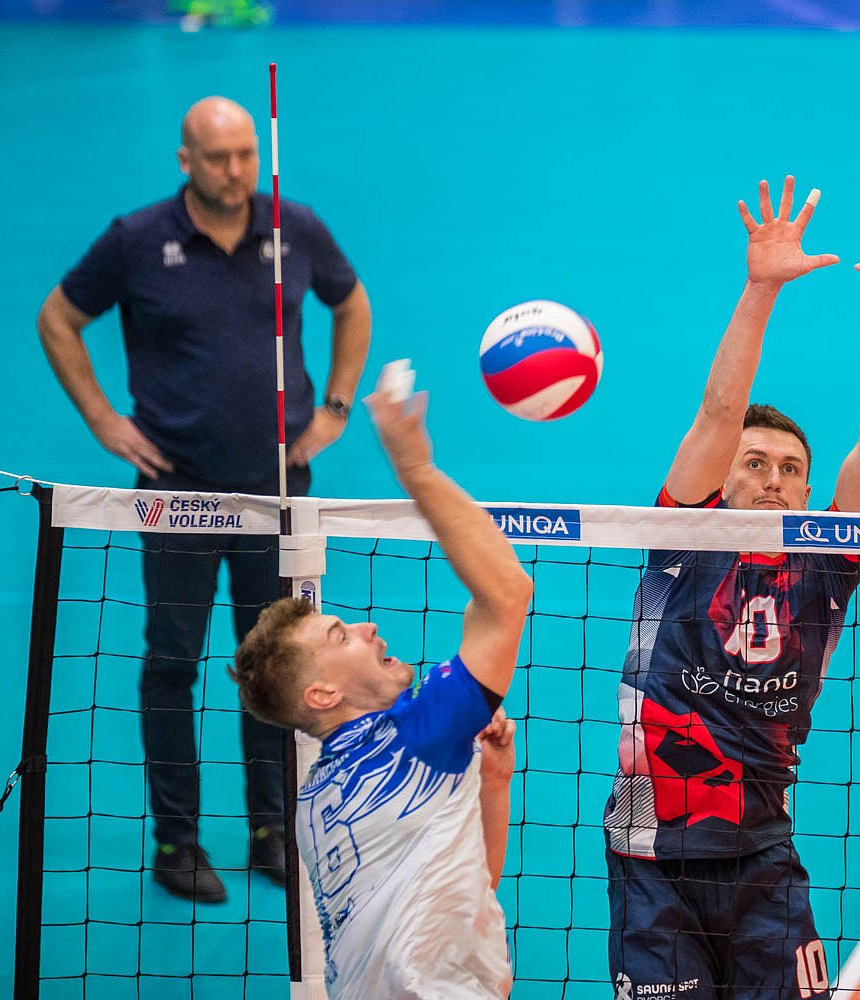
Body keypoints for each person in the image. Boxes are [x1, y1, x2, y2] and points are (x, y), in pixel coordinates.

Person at [603, 175, 860, 999]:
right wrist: (760, 289)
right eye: (755, 462)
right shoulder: (682, 540)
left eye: (790, 469)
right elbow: (717, 411)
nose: (773, 479)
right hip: (649, 855)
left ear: (808, 492)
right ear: (723, 477)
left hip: (763, 854)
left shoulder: (826, 568)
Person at [36, 95, 371, 901]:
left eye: (247, 154)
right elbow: (58, 318)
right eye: (218, 158)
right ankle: (177, 840)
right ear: (185, 160)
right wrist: (103, 420)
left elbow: (351, 304)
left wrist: (333, 409)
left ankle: (271, 828)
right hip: (175, 493)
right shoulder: (135, 239)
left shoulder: (296, 227)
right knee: (172, 663)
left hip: (276, 490)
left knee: (278, 663)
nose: (236, 171)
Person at [231, 367, 532, 999]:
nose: (367, 628)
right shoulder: (413, 739)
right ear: (322, 695)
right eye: (340, 636)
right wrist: (416, 469)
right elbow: (507, 593)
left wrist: (494, 782)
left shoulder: (314, 802)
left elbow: (469, 890)